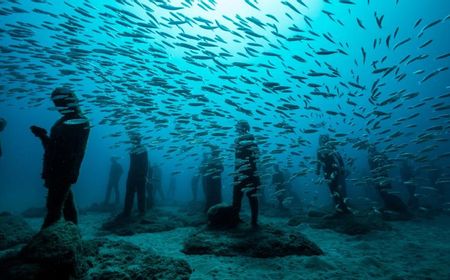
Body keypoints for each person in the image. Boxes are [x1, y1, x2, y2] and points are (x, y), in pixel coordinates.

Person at [30, 88, 90, 229]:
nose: (57, 106)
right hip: (56, 169)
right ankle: (74, 237)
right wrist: (42, 136)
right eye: (56, 103)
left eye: (60, 102)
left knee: (53, 208)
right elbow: (55, 148)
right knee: (66, 204)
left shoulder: (79, 121)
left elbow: (71, 151)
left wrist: (71, 173)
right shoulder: (64, 121)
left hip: (63, 171)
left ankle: (47, 244)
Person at [368, 145, 410, 217]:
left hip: (382, 176)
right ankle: (390, 205)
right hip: (378, 176)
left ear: (373, 149)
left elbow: (389, 163)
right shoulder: (373, 156)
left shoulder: (378, 155)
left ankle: (400, 207)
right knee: (382, 192)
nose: (370, 150)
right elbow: (388, 163)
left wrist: (384, 168)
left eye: (371, 149)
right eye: (369, 149)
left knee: (385, 192)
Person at [232, 120, 261, 227]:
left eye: (238, 126)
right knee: (250, 197)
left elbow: (256, 155)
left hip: (244, 173)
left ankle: (247, 221)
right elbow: (257, 155)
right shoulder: (251, 142)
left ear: (243, 128)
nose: (236, 128)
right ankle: (253, 221)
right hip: (248, 173)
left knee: (239, 197)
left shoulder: (245, 141)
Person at [316, 134, 351, 216]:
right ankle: (342, 208)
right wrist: (317, 170)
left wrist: (342, 168)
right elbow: (319, 161)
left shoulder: (330, 147)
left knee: (335, 189)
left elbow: (339, 158)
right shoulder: (320, 149)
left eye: (324, 138)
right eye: (322, 138)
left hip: (334, 171)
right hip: (328, 172)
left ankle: (341, 210)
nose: (323, 140)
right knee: (334, 190)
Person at [122, 133, 148, 217]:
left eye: (133, 139)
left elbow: (145, 164)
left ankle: (141, 212)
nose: (132, 141)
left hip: (139, 175)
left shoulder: (143, 149)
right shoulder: (132, 149)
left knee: (140, 194)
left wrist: (144, 176)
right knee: (131, 194)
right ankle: (127, 212)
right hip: (132, 175)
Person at [204, 145, 224, 212]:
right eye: (218, 151)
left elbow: (221, 169)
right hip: (213, 180)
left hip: (214, 180)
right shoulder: (213, 159)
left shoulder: (214, 158)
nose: (219, 152)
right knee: (213, 194)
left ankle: (213, 209)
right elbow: (221, 169)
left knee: (213, 194)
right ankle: (212, 210)